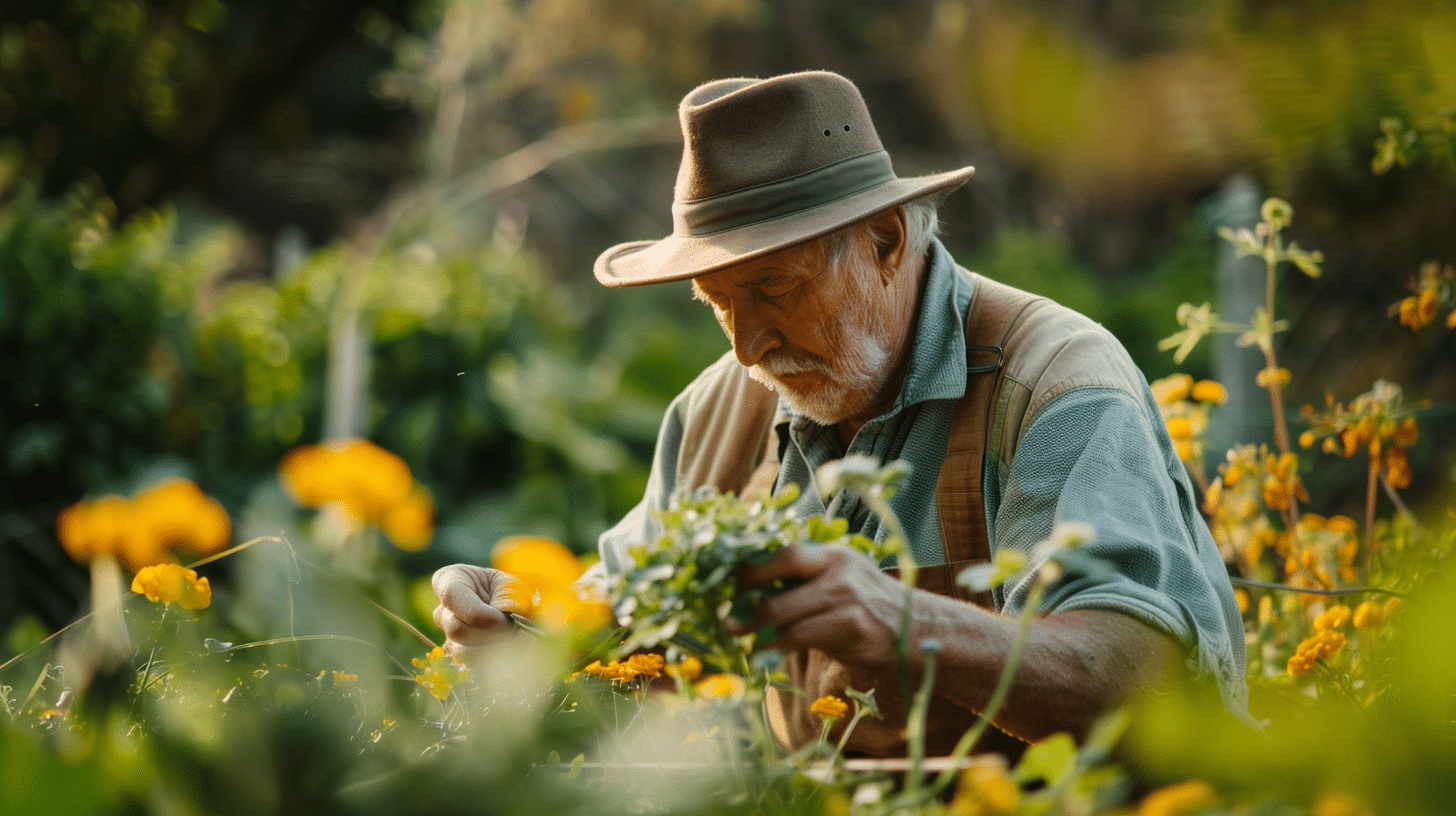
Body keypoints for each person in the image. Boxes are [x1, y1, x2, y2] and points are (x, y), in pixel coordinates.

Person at [432, 70, 1250, 757]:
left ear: (887, 241)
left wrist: (900, 621)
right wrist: (520, 619)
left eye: (778, 292)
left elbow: (1134, 678)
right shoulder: (716, 411)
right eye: (717, 304)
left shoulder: (1054, 386)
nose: (748, 348)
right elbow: (622, 618)